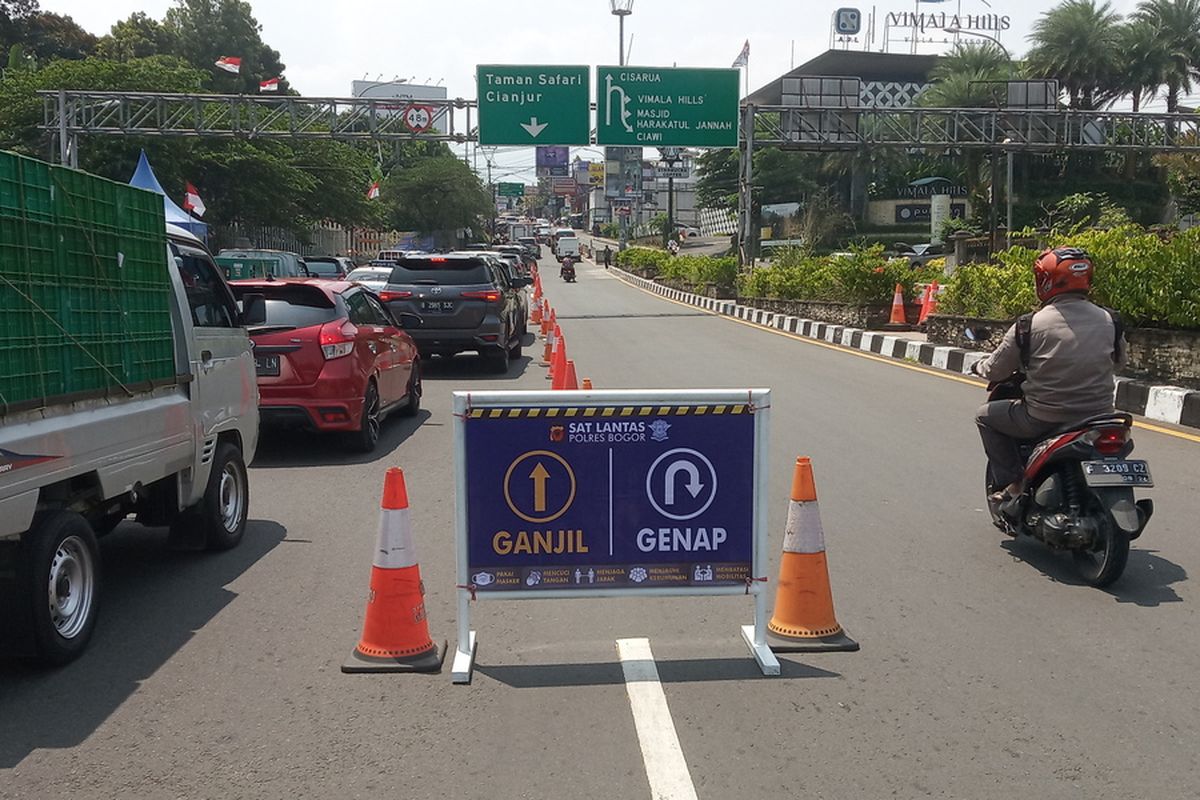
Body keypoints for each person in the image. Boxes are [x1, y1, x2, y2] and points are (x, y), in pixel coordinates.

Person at [970, 247, 1126, 506]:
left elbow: (996, 370)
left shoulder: (1030, 325)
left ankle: (1014, 481)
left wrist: (979, 367)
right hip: (1100, 415)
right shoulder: (1110, 319)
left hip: (1044, 418)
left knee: (984, 416)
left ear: (1045, 280)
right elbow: (1120, 362)